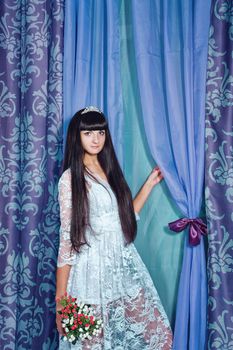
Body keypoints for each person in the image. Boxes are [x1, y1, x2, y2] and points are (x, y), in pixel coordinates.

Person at [56, 107, 172, 350]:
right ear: (77, 136)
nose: (95, 138)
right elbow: (66, 241)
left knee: (159, 336)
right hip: (88, 276)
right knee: (92, 345)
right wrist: (61, 300)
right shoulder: (70, 179)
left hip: (120, 268)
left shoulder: (108, 169)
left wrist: (149, 184)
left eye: (100, 131)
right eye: (88, 133)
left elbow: (122, 219)